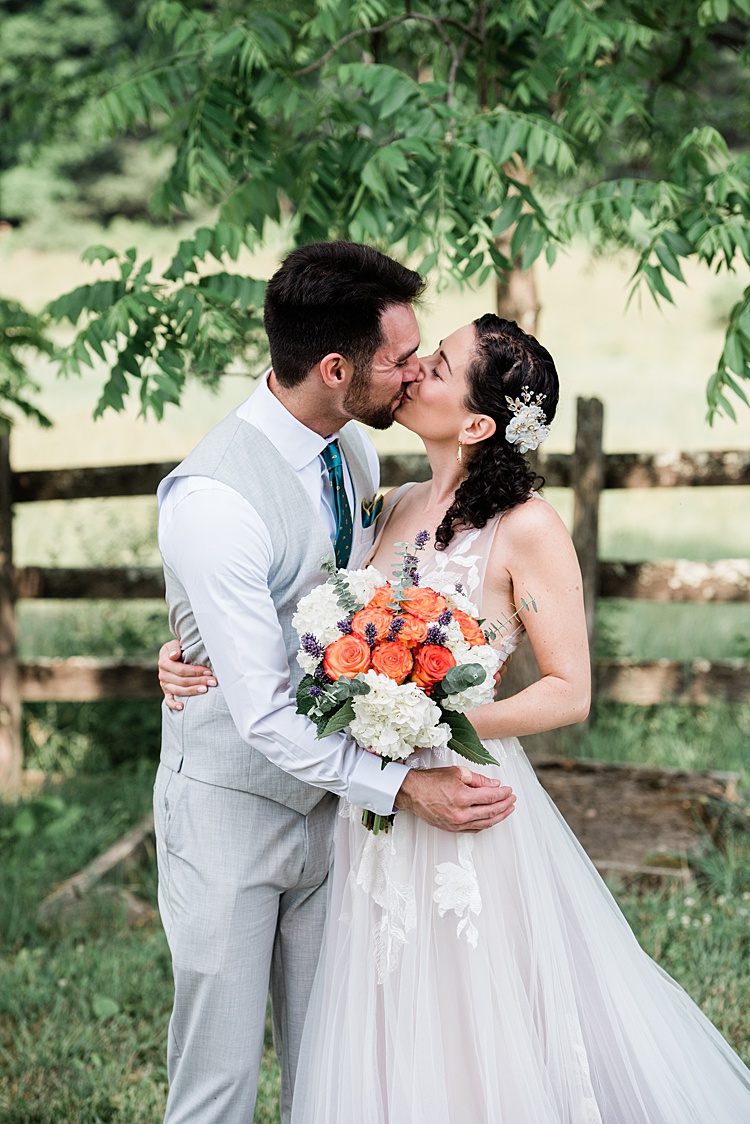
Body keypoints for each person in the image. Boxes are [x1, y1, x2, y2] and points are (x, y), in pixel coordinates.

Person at [162, 313, 750, 1122]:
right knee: (373, 1016)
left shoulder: (528, 528)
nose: (413, 371)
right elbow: (318, 612)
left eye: (436, 365)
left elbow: (569, 690)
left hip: (464, 799)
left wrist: (436, 724)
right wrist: (193, 653)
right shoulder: (392, 502)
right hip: (369, 805)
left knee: (473, 1019)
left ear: (476, 424)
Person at [153, 242, 516, 1124]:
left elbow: (355, 596)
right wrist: (406, 788)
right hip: (233, 812)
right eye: (401, 359)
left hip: (341, 821)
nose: (417, 372)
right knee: (217, 1083)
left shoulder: (352, 448)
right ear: (336, 369)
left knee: (334, 1074)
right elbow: (262, 711)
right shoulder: (213, 501)